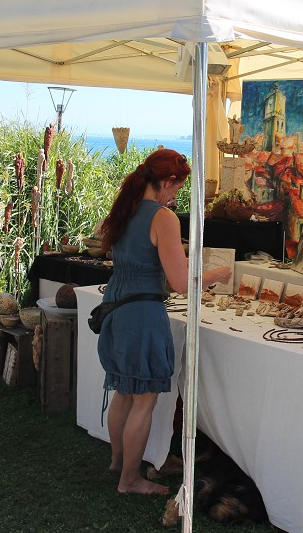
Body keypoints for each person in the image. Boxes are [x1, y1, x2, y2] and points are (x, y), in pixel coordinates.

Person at [98, 148, 232, 496]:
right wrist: (218, 273)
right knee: (143, 400)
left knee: (124, 394)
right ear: (167, 181)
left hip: (115, 307)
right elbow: (180, 282)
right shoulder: (162, 218)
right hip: (141, 314)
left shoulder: (125, 209)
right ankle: (129, 480)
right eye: (177, 189)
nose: (176, 196)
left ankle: (117, 463)